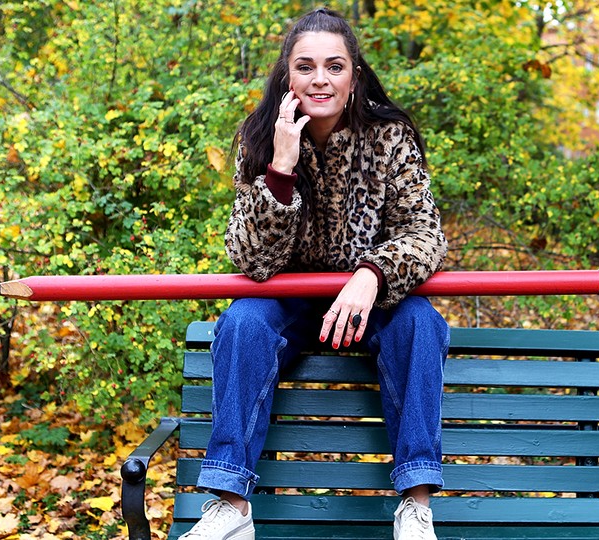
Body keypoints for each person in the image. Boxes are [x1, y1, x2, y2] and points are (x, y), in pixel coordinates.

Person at [177, 8, 449, 540]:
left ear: (354, 77)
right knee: (241, 323)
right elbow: (251, 260)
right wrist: (281, 169)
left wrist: (372, 274)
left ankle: (416, 507)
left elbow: (426, 234)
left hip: (371, 300)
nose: (320, 79)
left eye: (334, 66)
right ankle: (231, 505)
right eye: (305, 66)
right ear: (287, 75)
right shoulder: (260, 138)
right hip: (291, 301)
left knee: (421, 322)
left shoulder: (389, 137)